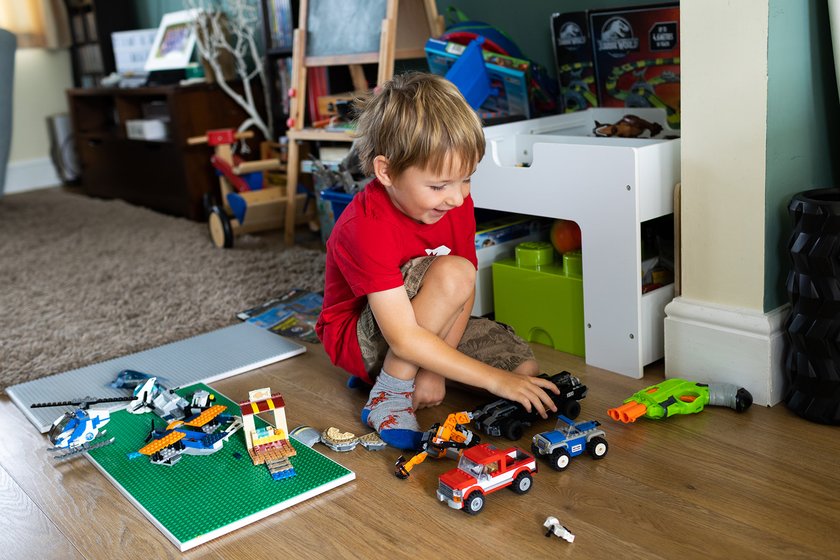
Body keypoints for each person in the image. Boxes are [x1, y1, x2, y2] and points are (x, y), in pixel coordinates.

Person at [315, 72, 558, 450]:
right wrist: (488, 381)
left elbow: (464, 289)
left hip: (420, 324)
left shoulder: (454, 205)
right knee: (454, 277)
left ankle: (399, 375)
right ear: (387, 171)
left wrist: (433, 372)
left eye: (467, 179)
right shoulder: (364, 226)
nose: (457, 198)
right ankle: (389, 392)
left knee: (522, 372)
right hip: (364, 337)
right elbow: (404, 334)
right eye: (439, 185)